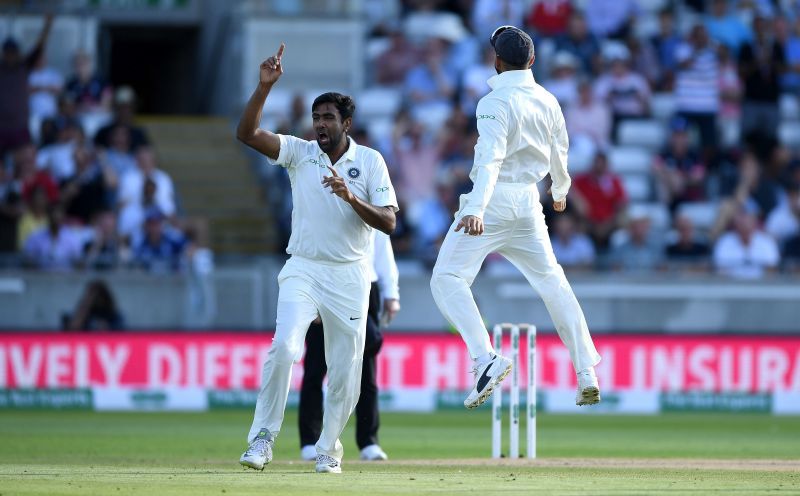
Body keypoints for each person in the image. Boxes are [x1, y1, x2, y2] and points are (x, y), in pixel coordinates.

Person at [235, 44, 398, 474]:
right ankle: (262, 439)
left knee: (346, 373)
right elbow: (247, 134)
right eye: (316, 118)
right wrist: (263, 88)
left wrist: (351, 197)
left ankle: (329, 447)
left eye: (328, 118)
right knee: (285, 348)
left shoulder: (370, 162)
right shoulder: (299, 152)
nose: (320, 125)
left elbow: (388, 222)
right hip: (303, 268)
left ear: (347, 123)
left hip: (350, 276)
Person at [429, 26, 601, 413]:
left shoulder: (493, 101)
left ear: (497, 61)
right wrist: (559, 190)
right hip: (529, 202)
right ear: (533, 61)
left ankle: (484, 358)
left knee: (446, 278)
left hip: (493, 201)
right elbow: (561, 150)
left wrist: (474, 208)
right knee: (552, 281)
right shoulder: (549, 99)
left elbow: (489, 159)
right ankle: (586, 371)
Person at [298, 231, 399, 462]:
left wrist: (391, 293)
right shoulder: (321, 200)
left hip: (365, 283)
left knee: (366, 371)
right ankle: (310, 441)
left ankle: (368, 442)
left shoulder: (371, 201)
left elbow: (383, 250)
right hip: (325, 283)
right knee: (315, 367)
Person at [0, 15, 53, 159]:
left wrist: (48, 25)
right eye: (8, 53)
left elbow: (39, 47)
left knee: (25, 158)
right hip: (1, 127)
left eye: (13, 53)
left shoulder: (23, 67)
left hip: (20, 126)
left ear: (18, 53)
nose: (10, 56)